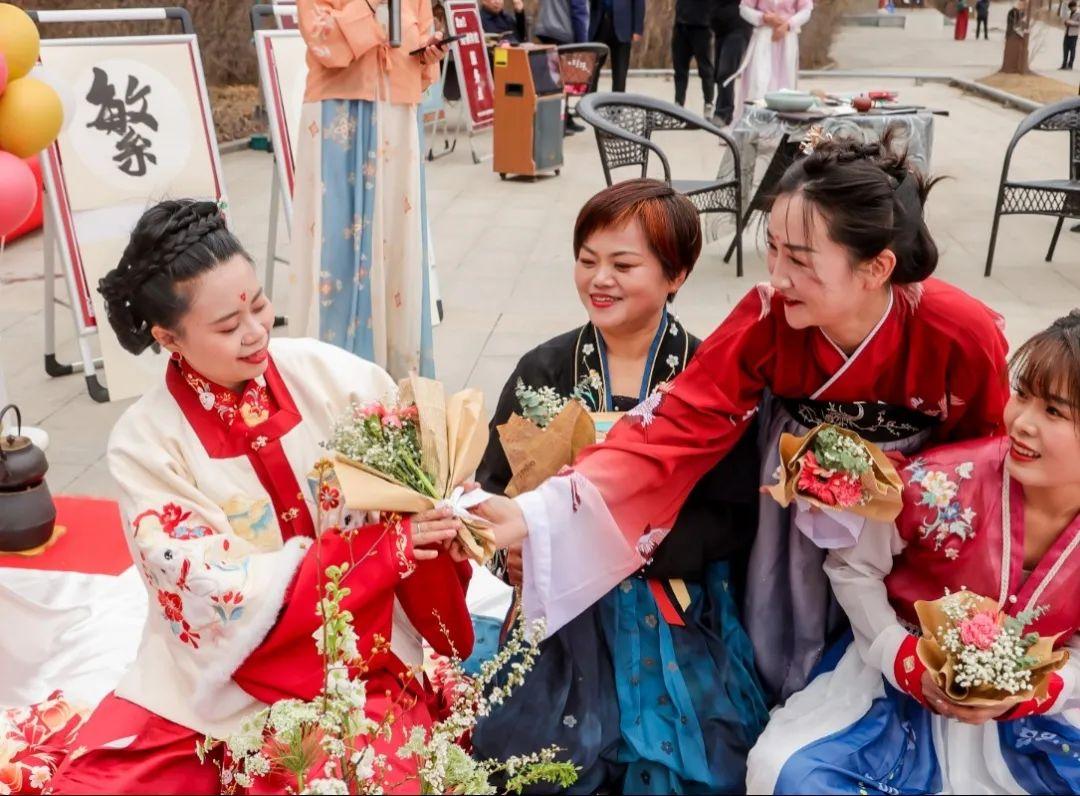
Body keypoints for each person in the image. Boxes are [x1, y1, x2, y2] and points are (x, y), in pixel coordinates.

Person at [468, 133, 1013, 710]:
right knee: (790, 657)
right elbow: (673, 425)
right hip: (794, 513)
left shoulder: (959, 330)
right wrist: (537, 511)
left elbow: (985, 461)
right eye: (772, 249)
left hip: (914, 517)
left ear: (876, 266)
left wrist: (895, 497)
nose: (776, 276)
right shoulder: (767, 319)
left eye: (799, 260)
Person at [49, 200, 475, 794]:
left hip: (364, 643)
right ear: (170, 337)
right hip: (230, 674)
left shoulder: (329, 374)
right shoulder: (145, 443)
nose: (255, 333)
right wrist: (381, 547)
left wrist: (441, 504)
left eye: (258, 305)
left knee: (367, 776)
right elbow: (205, 584)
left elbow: (413, 481)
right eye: (227, 326)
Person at [471, 180, 766, 793]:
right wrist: (512, 556)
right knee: (535, 763)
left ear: (676, 273)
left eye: (623, 264)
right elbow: (492, 488)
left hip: (672, 600)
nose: (598, 279)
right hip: (558, 601)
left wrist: (618, 547)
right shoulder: (543, 369)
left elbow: (735, 516)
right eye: (587, 260)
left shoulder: (710, 374)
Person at [747, 314, 1080, 794]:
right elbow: (853, 567)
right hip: (895, 685)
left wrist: (1035, 692)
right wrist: (901, 657)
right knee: (788, 772)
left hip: (1036, 717)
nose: (1022, 423)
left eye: (1054, 412)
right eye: (1023, 395)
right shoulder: (942, 483)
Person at [287, 0, 449, 380]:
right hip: (338, 113)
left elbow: (420, 50)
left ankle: (395, 368)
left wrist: (429, 52)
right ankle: (331, 371)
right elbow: (321, 39)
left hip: (397, 115)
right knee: (336, 242)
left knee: (396, 236)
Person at [729, 0, 814, 124]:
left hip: (787, 39)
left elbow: (806, 11)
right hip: (764, 37)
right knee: (759, 81)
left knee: (785, 86)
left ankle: (781, 128)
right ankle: (754, 125)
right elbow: (744, 9)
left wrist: (787, 24)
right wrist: (763, 18)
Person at [535, 0, 591, 133]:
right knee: (563, 80)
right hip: (562, 30)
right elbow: (579, 10)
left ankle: (564, 118)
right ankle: (560, 122)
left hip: (545, 27)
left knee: (551, 79)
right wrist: (583, 45)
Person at [711, 0, 752, 126]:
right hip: (720, 30)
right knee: (718, 73)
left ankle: (723, 113)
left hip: (738, 28)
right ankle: (725, 113)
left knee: (726, 71)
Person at [589, 0, 645, 92]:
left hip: (623, 25)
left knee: (620, 73)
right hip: (599, 23)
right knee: (592, 72)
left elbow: (639, 2)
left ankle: (617, 104)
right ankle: (588, 102)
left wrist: (637, 29)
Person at [672, 0, 715, 117]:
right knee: (680, 69)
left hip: (702, 26)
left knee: (705, 69)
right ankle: (678, 104)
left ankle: (708, 103)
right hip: (681, 25)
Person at [1063, 1, 1079, 69]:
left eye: (1072, 8)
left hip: (1074, 34)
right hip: (1067, 33)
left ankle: (1070, 65)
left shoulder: (1079, 13)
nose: (1071, 9)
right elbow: (1066, 20)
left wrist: (1071, 23)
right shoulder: (1069, 12)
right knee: (1065, 49)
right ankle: (1064, 64)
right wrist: (1066, 22)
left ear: (1075, 6)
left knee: (1072, 50)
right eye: (1070, 8)